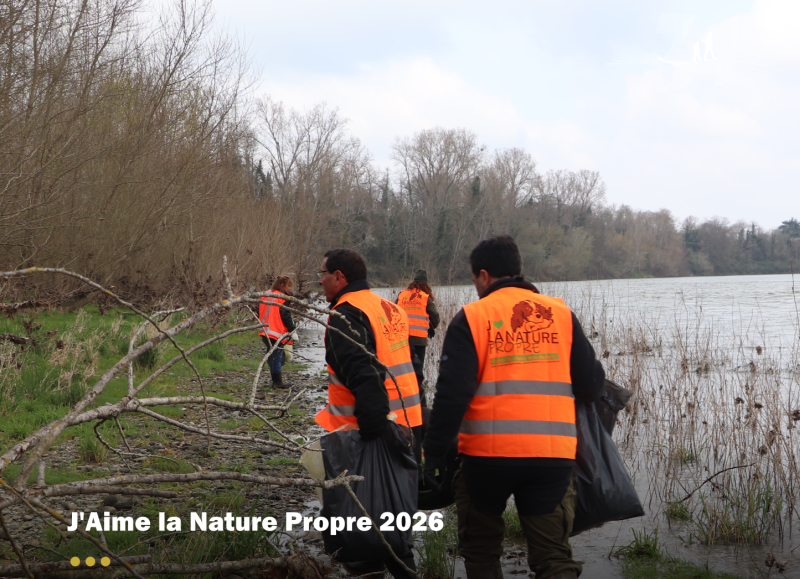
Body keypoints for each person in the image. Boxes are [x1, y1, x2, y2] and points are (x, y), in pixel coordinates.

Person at [422, 235, 605, 579]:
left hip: (485, 460)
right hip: (552, 459)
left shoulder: (473, 317)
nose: (475, 286)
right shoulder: (561, 313)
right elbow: (593, 387)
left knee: (481, 550)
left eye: (474, 279)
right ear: (518, 271)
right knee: (553, 557)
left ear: (484, 276)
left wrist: (432, 456)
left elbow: (452, 396)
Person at [315, 248, 422, 578]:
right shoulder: (389, 308)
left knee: (360, 526)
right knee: (393, 520)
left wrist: (372, 435)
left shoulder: (346, 314)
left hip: (364, 434)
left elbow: (365, 375)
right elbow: (409, 365)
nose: (319, 280)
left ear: (339, 277)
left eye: (323, 273)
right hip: (406, 425)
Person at [396, 269, 440, 402]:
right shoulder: (425, 297)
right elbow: (435, 318)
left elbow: (393, 311)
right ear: (425, 284)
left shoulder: (402, 295)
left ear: (413, 282)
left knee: (403, 374)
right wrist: (430, 328)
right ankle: (422, 405)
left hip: (401, 341)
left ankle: (403, 402)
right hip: (419, 342)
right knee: (417, 374)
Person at [258, 275, 296, 391]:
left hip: (264, 330)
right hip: (275, 331)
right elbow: (286, 316)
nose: (290, 289)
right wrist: (293, 330)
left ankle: (276, 380)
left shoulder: (266, 294)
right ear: (282, 285)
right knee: (277, 356)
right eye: (289, 286)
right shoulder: (283, 298)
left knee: (273, 355)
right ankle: (277, 382)